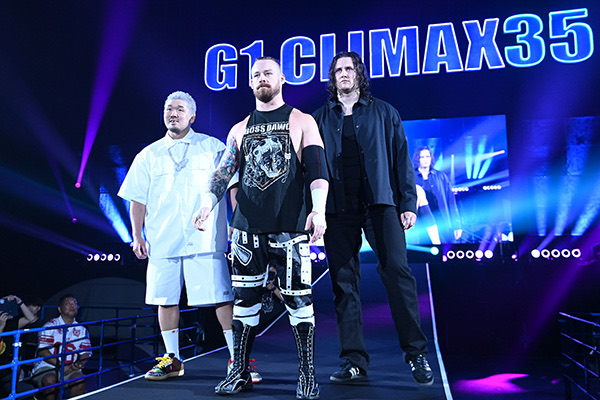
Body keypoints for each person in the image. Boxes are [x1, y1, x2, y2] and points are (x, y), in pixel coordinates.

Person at [194, 56, 329, 399]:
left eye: (268, 73)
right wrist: (207, 205)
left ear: (282, 79)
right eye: (256, 75)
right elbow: (224, 173)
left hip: (290, 228)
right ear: (250, 83)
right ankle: (239, 371)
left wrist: (318, 210)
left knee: (299, 300)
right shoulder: (239, 129)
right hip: (247, 229)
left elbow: (317, 170)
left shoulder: (302, 121)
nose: (262, 78)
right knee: (245, 301)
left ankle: (307, 375)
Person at [312, 51, 434, 386]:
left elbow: (401, 159)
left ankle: (416, 353)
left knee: (397, 272)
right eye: (338, 70)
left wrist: (408, 202)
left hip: (380, 204)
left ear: (359, 75)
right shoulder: (319, 118)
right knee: (343, 283)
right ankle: (353, 360)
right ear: (332, 77)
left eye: (349, 69)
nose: (344, 74)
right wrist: (313, 210)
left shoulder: (384, 112)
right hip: (338, 209)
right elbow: (311, 167)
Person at [118, 91, 242, 381]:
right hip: (163, 239)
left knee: (222, 297)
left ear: (192, 116)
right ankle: (172, 358)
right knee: (165, 298)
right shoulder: (148, 154)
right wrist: (137, 236)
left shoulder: (212, 147)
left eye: (180, 109)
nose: (173, 113)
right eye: (169, 109)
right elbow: (137, 199)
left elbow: (232, 186)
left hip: (205, 237)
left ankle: (238, 358)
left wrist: (236, 221)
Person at [31, 294, 91, 400]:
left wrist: (79, 363)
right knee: (50, 380)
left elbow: (86, 352)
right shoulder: (50, 326)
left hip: (70, 368)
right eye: (68, 303)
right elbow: (43, 351)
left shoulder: (82, 329)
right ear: (59, 309)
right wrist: (61, 365)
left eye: (74, 304)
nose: (72, 306)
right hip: (47, 366)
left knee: (79, 379)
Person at [412, 145, 462, 243]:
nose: (425, 159)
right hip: (422, 224)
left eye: (427, 156)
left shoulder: (441, 176)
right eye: (422, 157)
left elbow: (451, 201)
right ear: (417, 159)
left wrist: (457, 225)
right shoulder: (411, 177)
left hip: (443, 221)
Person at [0, 295, 40, 399]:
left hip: (6, 372)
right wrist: (0, 328)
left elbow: (31, 319)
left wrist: (20, 302)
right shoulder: (3, 325)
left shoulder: (10, 324)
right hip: (2, 372)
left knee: (28, 390)